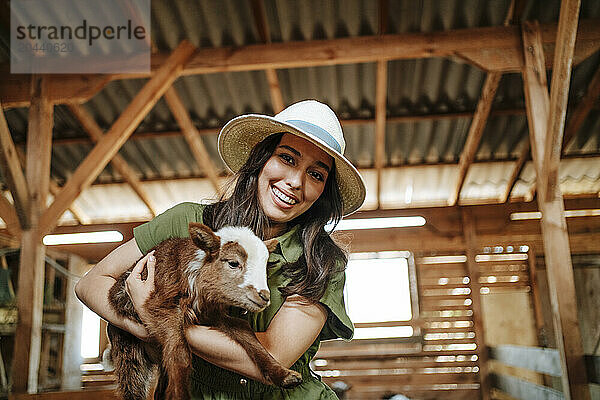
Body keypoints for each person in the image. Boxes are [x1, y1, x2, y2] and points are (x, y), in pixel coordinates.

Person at [75, 99, 367, 399]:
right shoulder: (188, 223)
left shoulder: (321, 262)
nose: (295, 182)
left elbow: (275, 356)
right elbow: (91, 284)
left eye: (316, 174)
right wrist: (137, 326)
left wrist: (158, 323)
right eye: (287, 158)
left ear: (323, 193)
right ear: (261, 160)